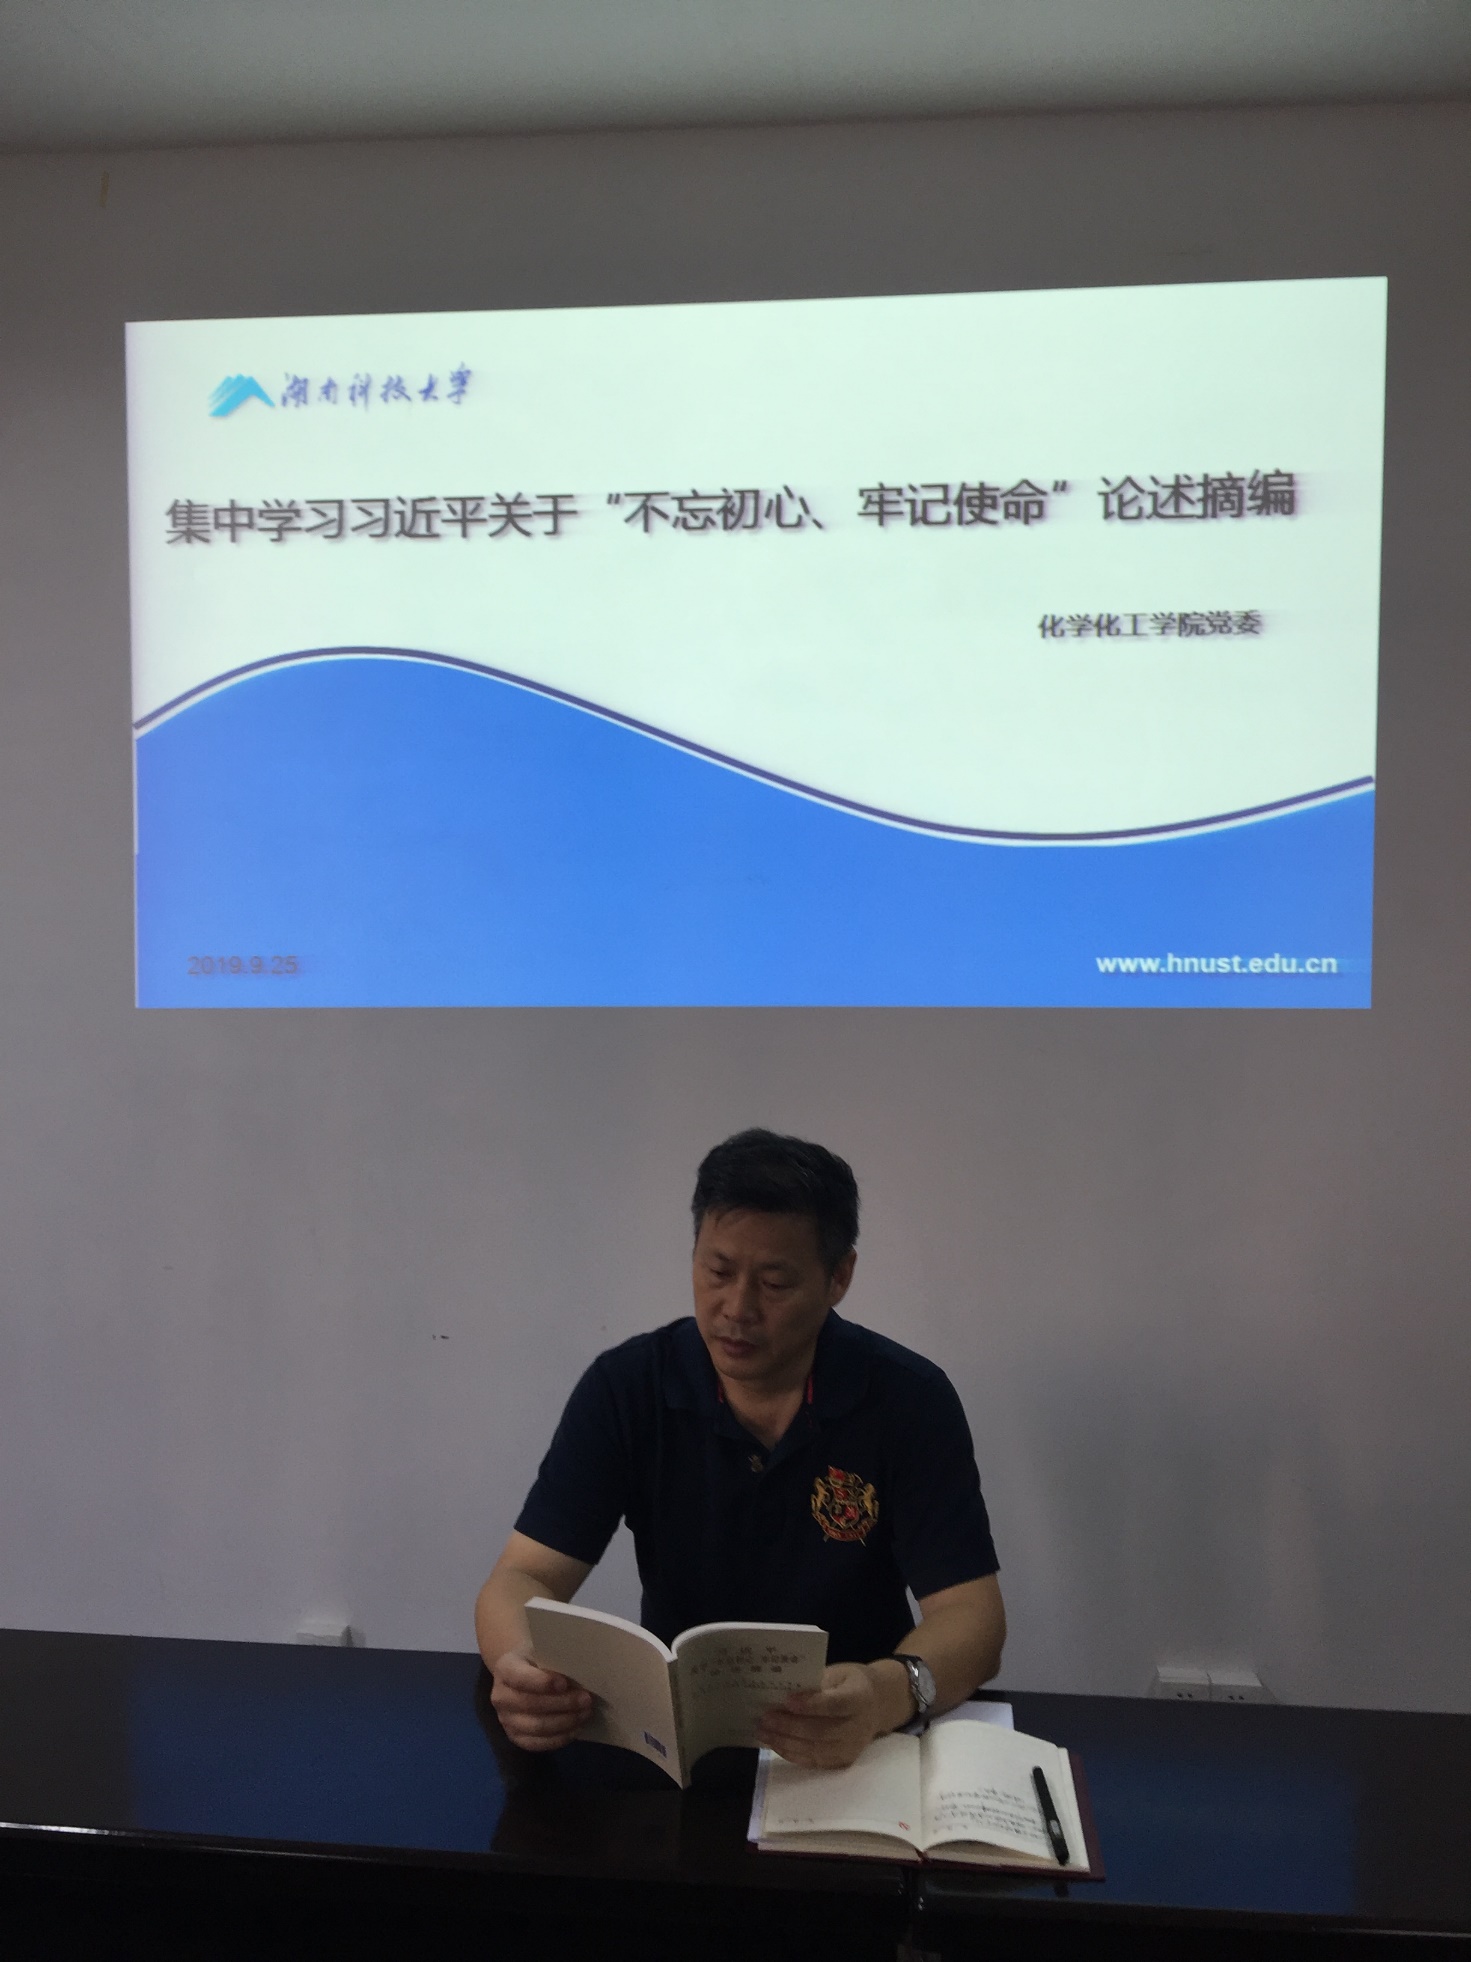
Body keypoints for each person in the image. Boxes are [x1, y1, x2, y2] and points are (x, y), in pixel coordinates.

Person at [475, 1129, 1005, 1770]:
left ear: (839, 1277)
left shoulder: (908, 1399)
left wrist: (884, 1694)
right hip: (680, 1746)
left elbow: (972, 1616)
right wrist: (518, 1663)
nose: (737, 1308)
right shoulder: (628, 1387)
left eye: (775, 1283)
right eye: (718, 1272)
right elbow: (522, 1576)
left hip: (855, 1743)